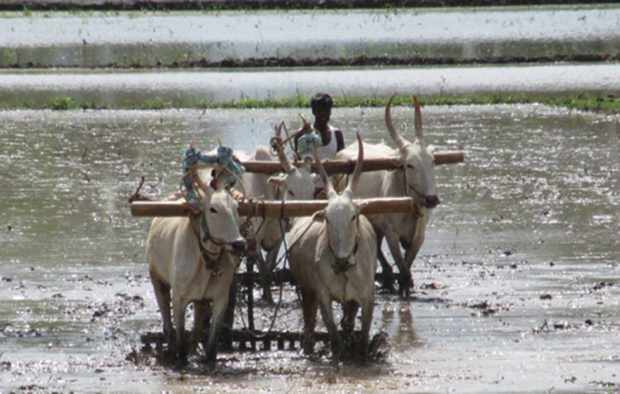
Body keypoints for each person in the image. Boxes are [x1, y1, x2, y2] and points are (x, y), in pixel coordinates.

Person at [294, 92, 344, 198]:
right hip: (308, 189)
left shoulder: (337, 135)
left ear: (330, 112)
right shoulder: (300, 135)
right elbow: (297, 164)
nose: (323, 114)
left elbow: (342, 165)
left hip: (332, 189)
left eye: (327, 110)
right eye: (320, 111)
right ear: (313, 112)